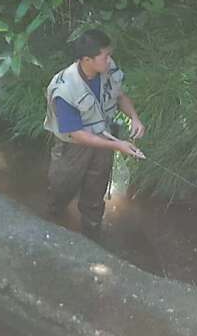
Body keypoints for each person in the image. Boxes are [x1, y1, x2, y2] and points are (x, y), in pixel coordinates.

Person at [43, 28, 145, 240]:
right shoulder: (65, 90)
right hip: (72, 147)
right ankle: (51, 227)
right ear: (87, 60)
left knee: (95, 194)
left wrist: (134, 118)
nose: (109, 60)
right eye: (105, 56)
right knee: (61, 189)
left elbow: (120, 96)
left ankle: (92, 235)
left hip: (104, 138)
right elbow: (76, 134)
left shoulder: (107, 68)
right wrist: (118, 146)